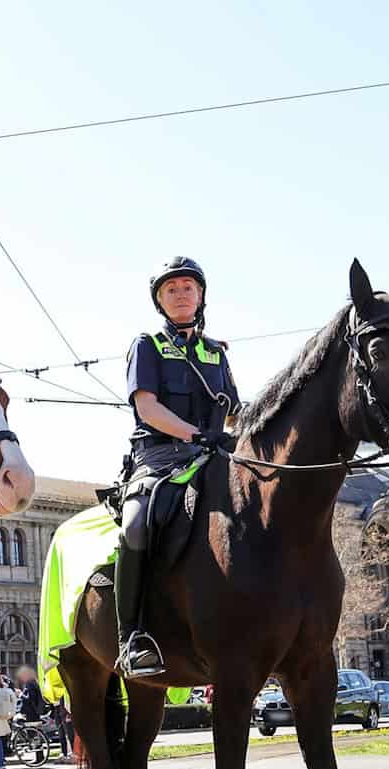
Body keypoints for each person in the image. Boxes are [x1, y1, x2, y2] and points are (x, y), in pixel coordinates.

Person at [117, 256, 239, 676]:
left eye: (188, 287)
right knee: (135, 524)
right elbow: (146, 407)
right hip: (160, 458)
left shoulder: (215, 353)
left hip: (213, 457)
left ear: (201, 295)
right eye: (172, 289)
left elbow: (237, 412)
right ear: (160, 300)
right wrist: (194, 433)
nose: (181, 294)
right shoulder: (146, 346)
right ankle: (130, 637)